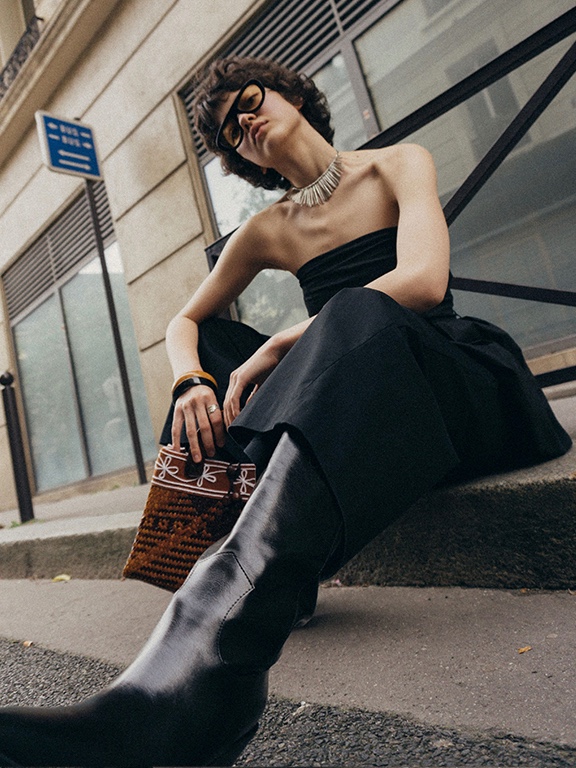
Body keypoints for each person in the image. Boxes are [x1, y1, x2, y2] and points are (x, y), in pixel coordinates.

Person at [0, 56, 571, 768]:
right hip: (361, 419)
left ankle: (204, 664)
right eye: (229, 132)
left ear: (292, 93)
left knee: (355, 310)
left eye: (249, 100)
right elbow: (183, 321)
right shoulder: (268, 229)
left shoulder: (397, 163)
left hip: (454, 392)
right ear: (242, 159)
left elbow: (424, 283)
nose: (244, 121)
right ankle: (214, 648)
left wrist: (279, 343)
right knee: (214, 345)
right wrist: (190, 383)